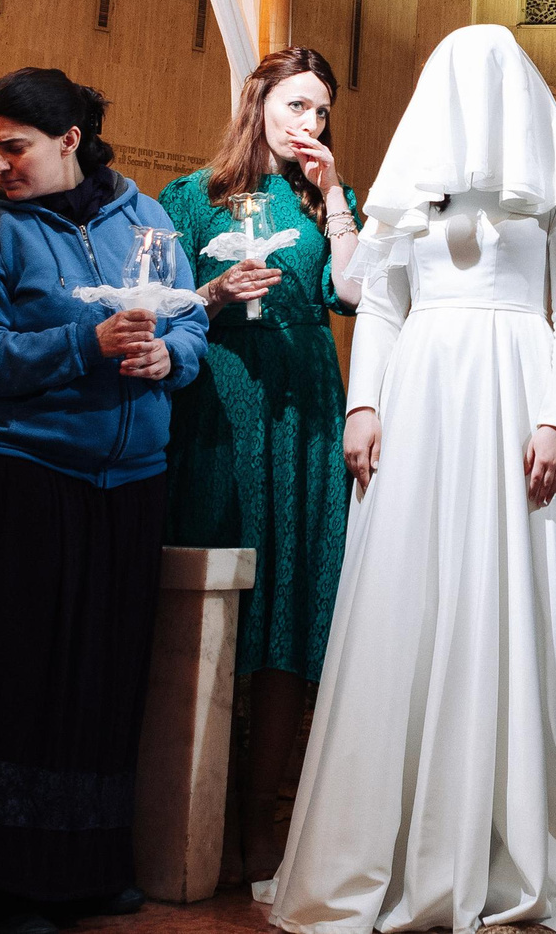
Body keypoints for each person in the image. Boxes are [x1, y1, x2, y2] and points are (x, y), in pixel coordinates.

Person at [272, 25, 556, 934]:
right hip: (423, 397)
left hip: (520, 387)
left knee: (525, 594)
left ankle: (522, 840)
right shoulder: (409, 186)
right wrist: (364, 403)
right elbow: (382, 300)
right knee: (411, 597)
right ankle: (401, 842)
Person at [0, 68, 207, 934]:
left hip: (128, 485)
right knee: (10, 683)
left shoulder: (148, 219)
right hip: (19, 477)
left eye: (14, 146)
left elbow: (190, 321)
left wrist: (170, 357)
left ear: (70, 139)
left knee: (98, 685)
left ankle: (83, 870)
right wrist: (85, 343)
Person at [158, 47, 362, 894]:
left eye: (321, 111)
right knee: (217, 597)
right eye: (296, 105)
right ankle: (192, 807)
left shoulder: (328, 201)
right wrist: (212, 294)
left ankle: (263, 816)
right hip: (220, 403)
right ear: (259, 102)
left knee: (290, 605)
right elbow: (156, 305)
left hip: (305, 408)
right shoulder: (190, 196)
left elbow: (357, 293)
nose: (310, 122)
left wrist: (336, 193)